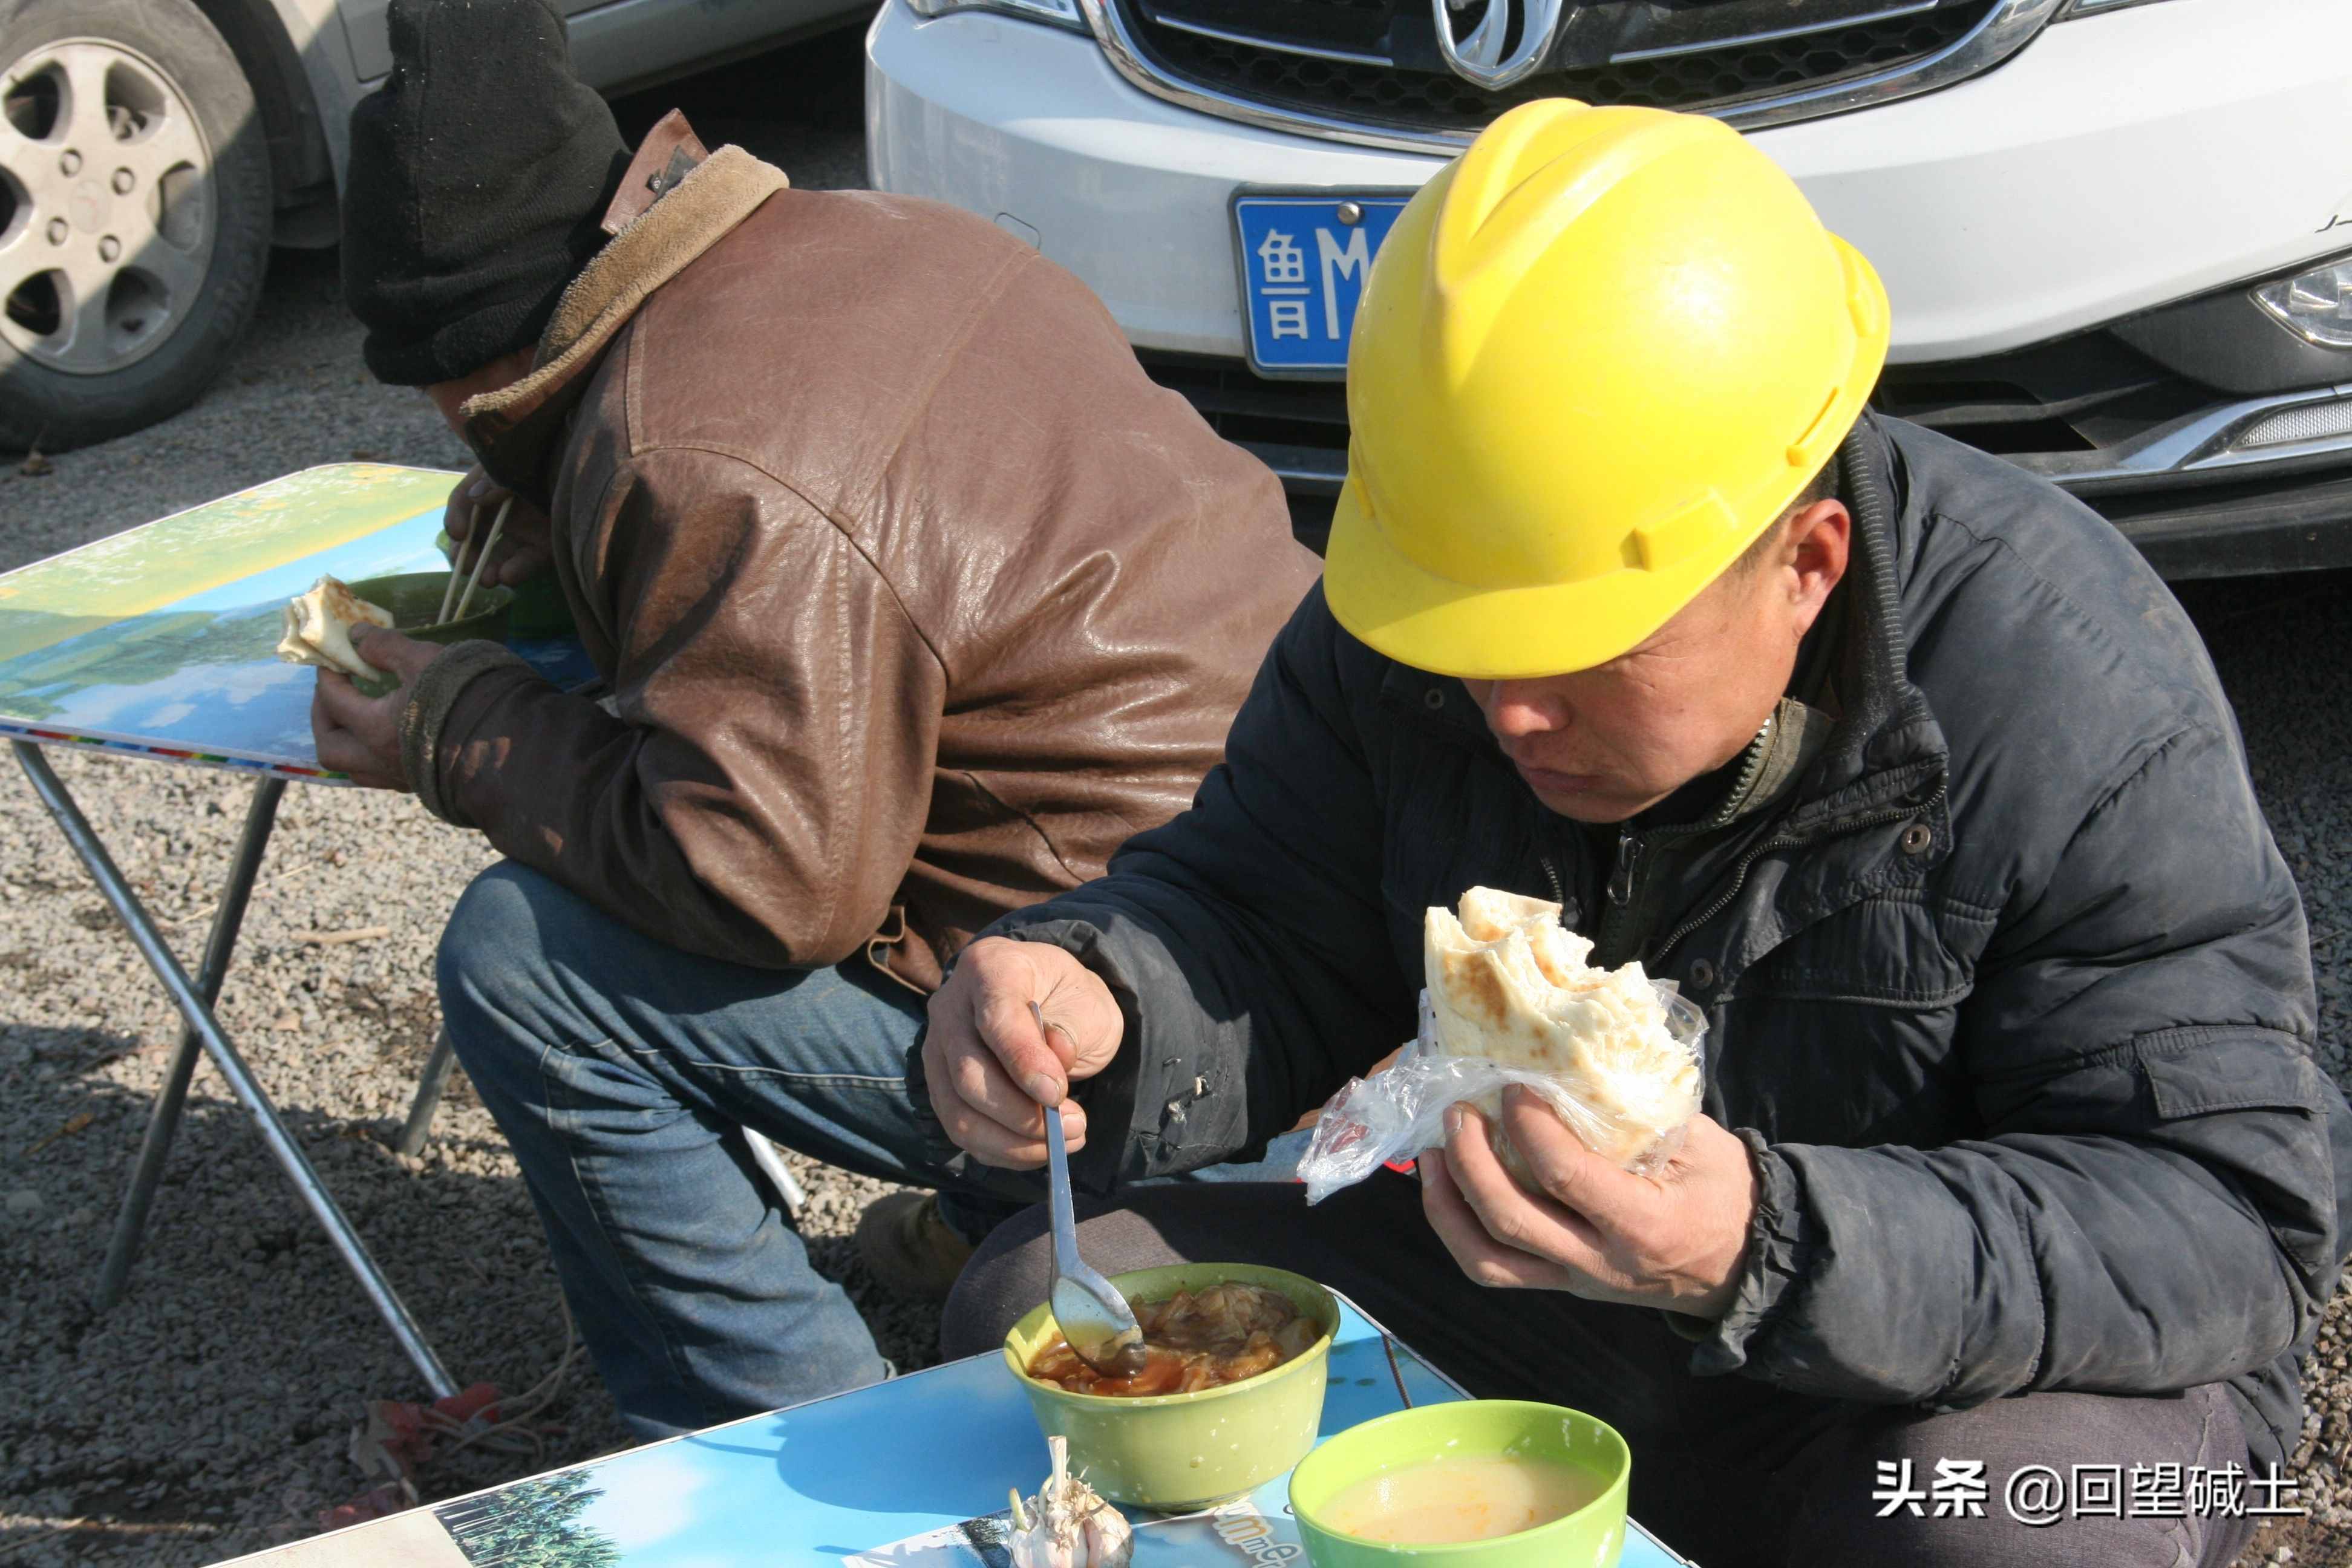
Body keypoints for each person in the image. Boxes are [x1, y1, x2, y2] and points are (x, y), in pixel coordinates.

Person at [920, 101, 2352, 1567]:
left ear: (1806, 565)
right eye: (1473, 644)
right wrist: (1104, 996)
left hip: (1991, 1390)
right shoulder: (1435, 615)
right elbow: (1260, 917)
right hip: (1561, 1294)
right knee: (1056, 1298)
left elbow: (2233, 1226)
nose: (1508, 711)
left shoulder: (2076, 694)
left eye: (1580, 647)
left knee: (2009, 1541)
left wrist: (1768, 1241)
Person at [310, 0, 1317, 1436]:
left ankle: (787, 1440)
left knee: (524, 959)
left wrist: (458, 728)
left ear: (480, 374)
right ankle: (994, 1210)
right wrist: (560, 503)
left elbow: (764, 877)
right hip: (1295, 910)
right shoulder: (873, 237)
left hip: (1130, 1022)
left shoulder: (690, 458)